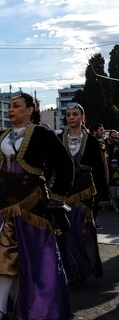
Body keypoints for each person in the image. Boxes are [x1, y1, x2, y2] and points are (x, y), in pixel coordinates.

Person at [0, 92, 73, 320]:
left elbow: (64, 164)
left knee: (35, 254)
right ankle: (0, 308)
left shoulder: (42, 134)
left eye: (16, 106)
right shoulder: (1, 136)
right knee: (1, 252)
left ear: (30, 109)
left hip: (31, 203)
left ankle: (41, 305)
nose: (11, 109)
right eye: (9, 106)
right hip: (1, 203)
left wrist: (57, 195)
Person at [56, 102, 105, 282]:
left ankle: (84, 268)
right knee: (65, 232)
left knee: (81, 231)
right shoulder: (60, 139)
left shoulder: (91, 141)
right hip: (64, 194)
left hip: (85, 193)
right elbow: (53, 166)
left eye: (75, 114)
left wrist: (104, 197)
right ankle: (71, 271)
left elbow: (99, 170)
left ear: (82, 117)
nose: (71, 118)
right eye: (68, 115)